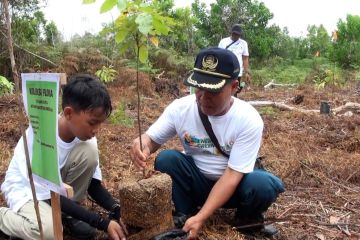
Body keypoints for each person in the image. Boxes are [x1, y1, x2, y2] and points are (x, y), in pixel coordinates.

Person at [130, 48, 284, 239]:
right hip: (198, 182)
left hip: (236, 187)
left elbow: (232, 175)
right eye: (198, 87)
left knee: (262, 184)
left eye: (213, 90)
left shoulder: (248, 119)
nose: (203, 96)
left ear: (234, 86)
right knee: (167, 159)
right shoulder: (181, 108)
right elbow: (151, 139)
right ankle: (184, 214)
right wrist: (142, 144)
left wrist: (203, 217)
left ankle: (247, 220)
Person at [0, 74, 128, 240]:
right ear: (68, 113)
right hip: (28, 190)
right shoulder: (43, 135)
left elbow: (93, 185)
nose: (96, 129)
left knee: (88, 152)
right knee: (48, 231)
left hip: (56, 192)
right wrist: (102, 223)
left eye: (100, 123)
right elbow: (48, 194)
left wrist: (116, 209)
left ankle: (68, 216)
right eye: (92, 122)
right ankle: (5, 218)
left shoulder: (87, 139)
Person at [218, 24, 250, 94]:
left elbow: (245, 58)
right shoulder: (223, 41)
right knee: (224, 90)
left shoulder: (243, 43)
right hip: (225, 71)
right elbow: (219, 56)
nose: (236, 36)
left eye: (238, 35)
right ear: (231, 33)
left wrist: (246, 72)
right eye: (234, 34)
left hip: (237, 72)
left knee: (235, 90)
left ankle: (232, 103)